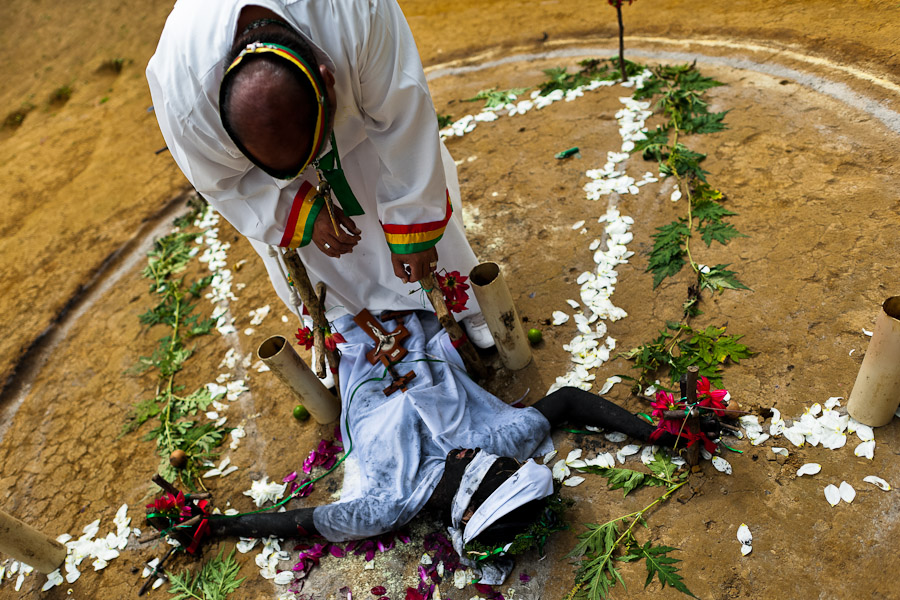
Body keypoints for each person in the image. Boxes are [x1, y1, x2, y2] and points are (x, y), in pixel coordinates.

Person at [193, 310, 707, 584]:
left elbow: (298, 523)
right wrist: (660, 433)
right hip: (410, 320)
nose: (481, 455)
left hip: (351, 352)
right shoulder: (496, 445)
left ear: (466, 502)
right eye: (502, 464)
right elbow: (569, 401)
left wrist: (213, 526)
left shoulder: (384, 506)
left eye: (484, 470)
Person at [146, 0, 494, 350]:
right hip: (278, 184)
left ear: (329, 80)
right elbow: (219, 180)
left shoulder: (353, 12)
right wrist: (298, 209)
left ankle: (463, 307)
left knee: (420, 233)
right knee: (311, 261)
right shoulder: (187, 100)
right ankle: (344, 327)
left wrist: (412, 222)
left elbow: (404, 115)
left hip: (362, 137)